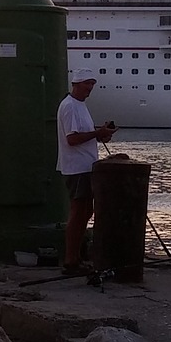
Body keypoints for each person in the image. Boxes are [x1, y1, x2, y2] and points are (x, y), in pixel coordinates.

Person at [56, 75, 115, 274]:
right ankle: (71, 260)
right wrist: (97, 134)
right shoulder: (71, 106)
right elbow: (71, 139)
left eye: (92, 84)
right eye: (86, 84)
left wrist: (101, 134)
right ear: (76, 84)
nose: (90, 88)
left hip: (86, 166)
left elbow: (82, 136)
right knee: (78, 212)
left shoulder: (80, 105)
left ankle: (76, 258)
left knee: (85, 212)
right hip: (77, 168)